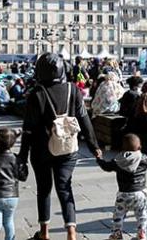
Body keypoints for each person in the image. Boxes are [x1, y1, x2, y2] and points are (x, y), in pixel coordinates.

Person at [18, 53, 101, 240]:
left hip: (41, 149)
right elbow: (85, 119)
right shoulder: (73, 90)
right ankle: (71, 232)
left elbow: (28, 130)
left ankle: (44, 233)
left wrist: (22, 157)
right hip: (68, 147)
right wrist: (94, 146)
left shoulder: (36, 94)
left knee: (44, 189)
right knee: (65, 187)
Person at [97, 134, 147, 240]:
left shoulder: (118, 160)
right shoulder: (143, 158)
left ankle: (116, 234)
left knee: (118, 215)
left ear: (123, 148)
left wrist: (99, 158)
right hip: (139, 193)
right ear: (139, 147)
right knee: (142, 215)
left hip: (123, 194)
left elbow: (106, 166)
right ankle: (141, 233)